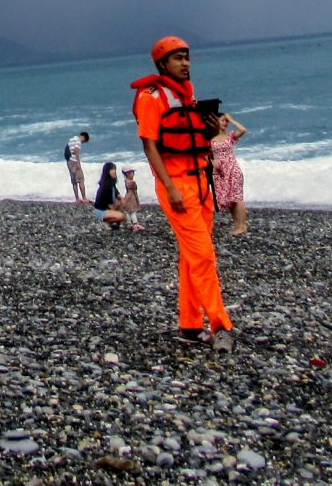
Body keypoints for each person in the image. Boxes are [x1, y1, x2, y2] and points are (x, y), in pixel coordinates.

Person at [134, 35, 236, 352]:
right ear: (162, 64)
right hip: (177, 183)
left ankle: (190, 325)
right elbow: (149, 144)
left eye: (187, 57)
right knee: (203, 256)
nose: (185, 63)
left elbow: (192, 136)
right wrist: (168, 187)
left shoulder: (186, 95)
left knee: (192, 257)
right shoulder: (152, 97)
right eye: (177, 58)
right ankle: (221, 326)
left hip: (200, 181)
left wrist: (210, 129)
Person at [211, 112, 249, 234]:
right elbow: (206, 155)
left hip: (232, 169)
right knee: (229, 199)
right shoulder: (210, 139)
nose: (225, 123)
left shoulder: (230, 137)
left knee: (237, 197)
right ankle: (237, 225)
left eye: (226, 121)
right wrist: (212, 163)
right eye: (223, 120)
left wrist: (231, 120)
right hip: (220, 171)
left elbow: (243, 129)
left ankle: (242, 226)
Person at [91, 161, 126, 228]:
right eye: (111, 169)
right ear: (107, 171)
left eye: (114, 169)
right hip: (101, 210)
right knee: (122, 216)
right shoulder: (106, 185)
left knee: (121, 201)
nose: (114, 171)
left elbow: (116, 192)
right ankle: (107, 222)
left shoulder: (111, 183)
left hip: (107, 209)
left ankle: (112, 222)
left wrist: (122, 199)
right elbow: (105, 202)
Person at [65, 131, 91, 204]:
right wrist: (78, 163)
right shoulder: (78, 141)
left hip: (69, 161)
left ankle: (77, 199)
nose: (83, 143)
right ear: (83, 137)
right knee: (81, 180)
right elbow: (76, 150)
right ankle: (84, 198)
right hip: (74, 161)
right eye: (84, 141)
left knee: (74, 182)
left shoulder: (71, 140)